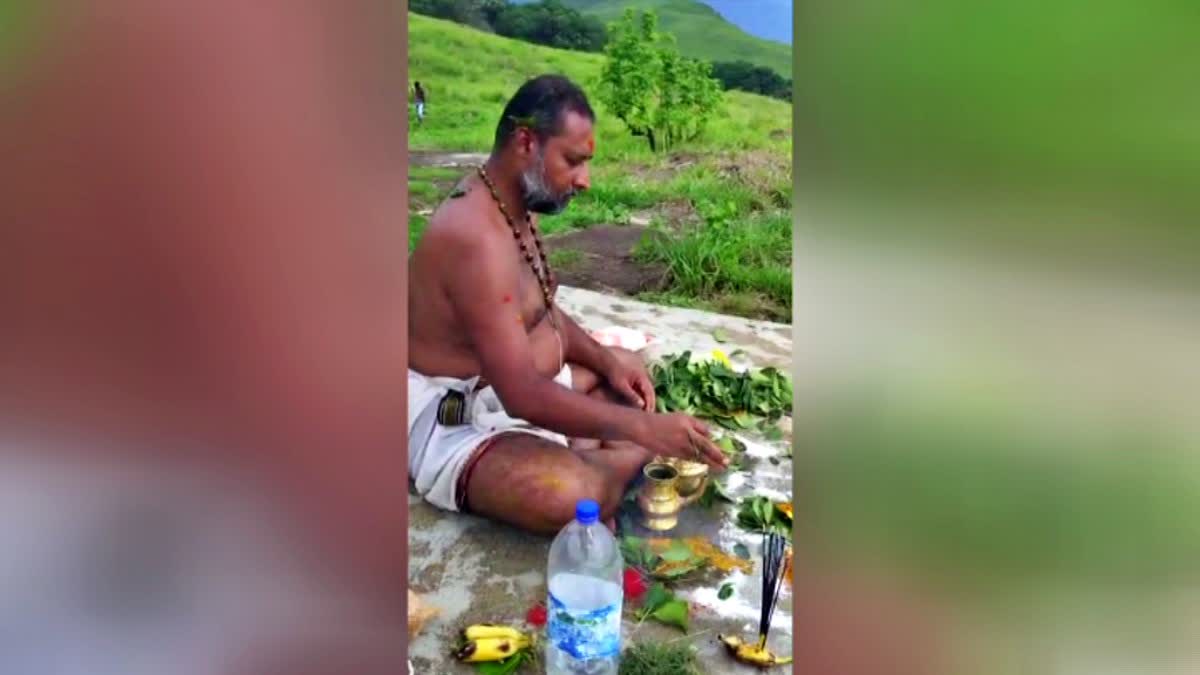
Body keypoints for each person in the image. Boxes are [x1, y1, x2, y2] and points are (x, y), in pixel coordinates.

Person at [407, 74, 727, 535]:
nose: (585, 181)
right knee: (571, 493)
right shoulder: (473, 238)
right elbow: (521, 394)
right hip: (451, 416)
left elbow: (542, 309)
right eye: (574, 161)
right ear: (526, 142)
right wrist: (644, 432)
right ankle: (601, 469)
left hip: (506, 391)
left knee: (627, 372)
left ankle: (601, 458)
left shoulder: (514, 204)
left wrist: (603, 359)